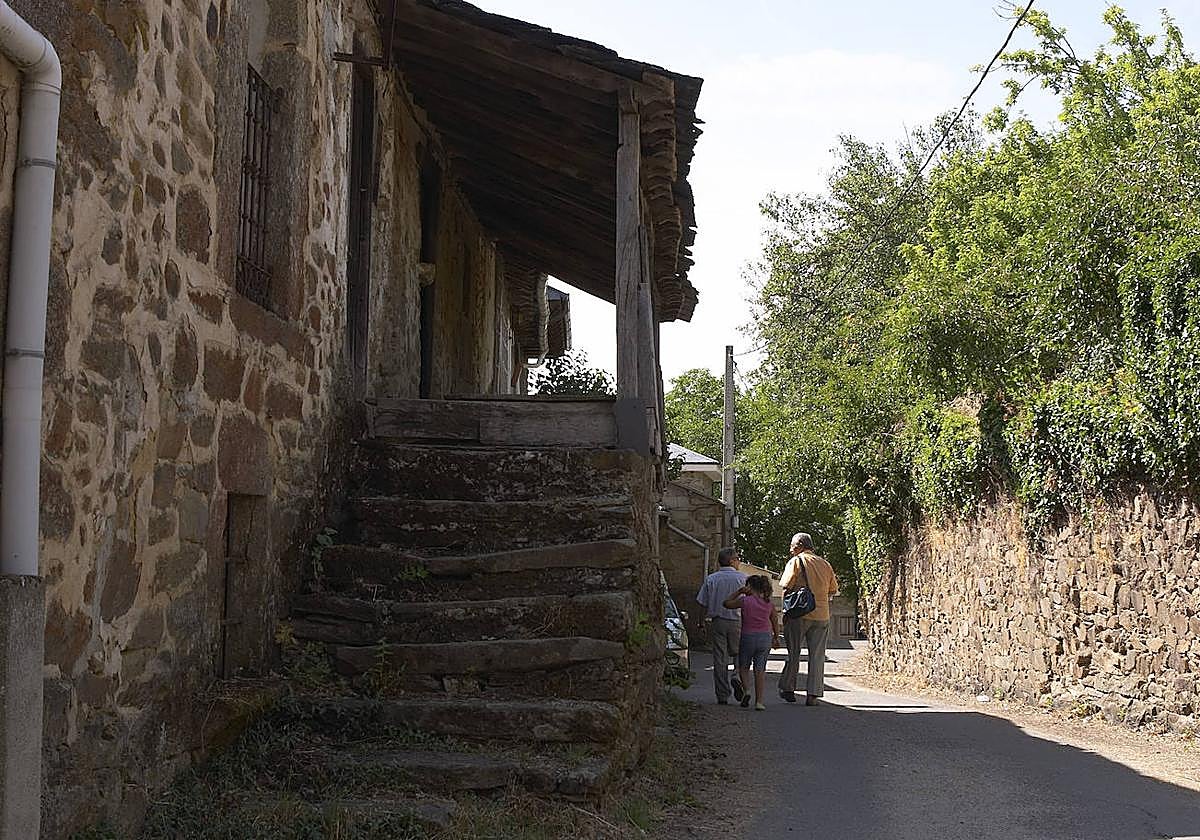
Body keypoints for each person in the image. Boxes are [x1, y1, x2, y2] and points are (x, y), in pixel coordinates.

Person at [778, 532, 839, 706]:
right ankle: (813, 694)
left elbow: (786, 587)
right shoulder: (825, 564)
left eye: (792, 546)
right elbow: (833, 589)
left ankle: (788, 688)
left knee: (794, 652)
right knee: (818, 656)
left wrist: (785, 613)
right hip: (822, 615)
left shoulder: (796, 561)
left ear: (799, 546)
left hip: (799, 614)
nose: (790, 550)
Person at [695, 547, 747, 704]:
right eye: (737, 558)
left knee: (719, 658)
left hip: (718, 621)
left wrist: (701, 621)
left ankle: (723, 694)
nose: (739, 561)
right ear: (731, 561)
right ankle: (737, 675)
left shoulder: (712, 579)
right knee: (740, 654)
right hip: (738, 621)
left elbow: (702, 603)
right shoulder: (743, 578)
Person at [723, 574, 781, 711]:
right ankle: (759, 701)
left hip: (748, 636)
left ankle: (747, 690)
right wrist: (776, 637)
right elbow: (774, 622)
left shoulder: (745, 601)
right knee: (760, 670)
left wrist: (739, 592)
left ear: (749, 586)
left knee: (744, 666)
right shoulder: (769, 604)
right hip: (765, 637)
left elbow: (726, 603)